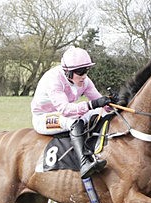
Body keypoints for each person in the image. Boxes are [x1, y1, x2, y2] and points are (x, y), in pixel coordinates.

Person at [31, 46, 115, 179]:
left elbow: (99, 101)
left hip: (66, 112)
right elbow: (65, 109)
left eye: (86, 70)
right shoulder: (53, 79)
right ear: (67, 72)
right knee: (72, 121)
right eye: (80, 72)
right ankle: (84, 163)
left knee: (100, 112)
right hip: (43, 117)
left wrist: (113, 103)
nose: (84, 76)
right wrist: (92, 104)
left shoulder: (84, 81)